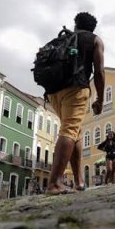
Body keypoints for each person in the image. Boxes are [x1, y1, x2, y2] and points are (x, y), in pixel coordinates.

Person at [45, 12, 105, 195]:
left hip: (53, 92)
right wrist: (100, 99)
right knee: (70, 130)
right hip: (75, 89)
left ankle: (79, 180)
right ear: (92, 28)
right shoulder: (94, 40)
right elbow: (100, 72)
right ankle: (54, 183)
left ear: (76, 24)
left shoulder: (65, 38)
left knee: (76, 132)